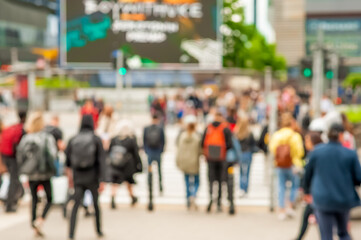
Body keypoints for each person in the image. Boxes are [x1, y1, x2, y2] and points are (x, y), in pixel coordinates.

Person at [304, 123, 361, 240]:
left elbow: (307, 175)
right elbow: (358, 178)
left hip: (322, 198)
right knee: (343, 232)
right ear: (341, 135)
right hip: (343, 198)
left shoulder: (316, 152)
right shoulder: (350, 154)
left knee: (326, 235)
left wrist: (306, 192)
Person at [65, 115, 106, 240]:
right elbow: (101, 160)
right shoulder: (96, 139)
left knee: (75, 205)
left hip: (78, 176)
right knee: (96, 204)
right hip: (92, 176)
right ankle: (98, 230)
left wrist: (70, 178)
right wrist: (102, 179)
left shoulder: (73, 139)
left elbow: (67, 162)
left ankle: (71, 233)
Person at [17, 112, 57, 237]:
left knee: (34, 199)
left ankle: (34, 224)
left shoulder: (26, 138)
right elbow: (53, 154)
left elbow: (20, 155)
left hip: (31, 173)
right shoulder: (47, 137)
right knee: (49, 198)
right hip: (45, 172)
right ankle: (40, 220)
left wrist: (24, 168)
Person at [269, 112, 304, 220]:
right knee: (294, 186)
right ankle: (290, 206)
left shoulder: (277, 135)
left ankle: (281, 209)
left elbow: (272, 149)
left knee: (281, 187)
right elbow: (300, 151)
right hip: (294, 164)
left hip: (280, 164)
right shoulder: (295, 135)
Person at [202, 111, 233, 213]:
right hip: (221, 158)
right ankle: (219, 202)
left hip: (210, 158)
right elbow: (230, 144)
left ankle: (211, 199)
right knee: (220, 180)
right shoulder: (225, 128)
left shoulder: (208, 128)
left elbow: (202, 142)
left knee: (211, 180)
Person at [295, 131, 323, 240]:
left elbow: (310, 175)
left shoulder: (315, 154)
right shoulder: (313, 154)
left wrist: (307, 192)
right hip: (315, 191)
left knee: (316, 217)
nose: (305, 143)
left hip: (315, 192)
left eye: (307, 140)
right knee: (314, 217)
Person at [108, 120, 142, 209]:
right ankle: (132, 197)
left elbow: (109, 152)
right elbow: (136, 154)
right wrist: (139, 164)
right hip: (128, 165)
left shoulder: (114, 139)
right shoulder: (131, 140)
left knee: (115, 182)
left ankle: (113, 197)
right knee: (129, 182)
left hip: (116, 164)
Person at [0, 111, 27, 213]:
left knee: (14, 179)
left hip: (5, 155)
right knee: (13, 179)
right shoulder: (21, 129)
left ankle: (15, 197)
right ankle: (9, 204)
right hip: (12, 157)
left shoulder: (14, 127)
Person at [176, 115, 201, 210]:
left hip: (185, 162)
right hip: (194, 162)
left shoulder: (182, 136)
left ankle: (188, 198)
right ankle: (193, 194)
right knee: (196, 181)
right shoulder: (197, 137)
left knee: (187, 181)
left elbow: (178, 150)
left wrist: (178, 161)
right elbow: (200, 151)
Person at [234, 115, 257, 197]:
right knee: (247, 172)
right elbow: (254, 144)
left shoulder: (237, 133)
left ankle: (241, 188)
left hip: (240, 154)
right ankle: (245, 189)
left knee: (241, 172)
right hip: (247, 153)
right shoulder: (249, 133)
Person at [143, 114, 166, 196]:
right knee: (159, 170)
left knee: (149, 169)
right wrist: (161, 150)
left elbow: (144, 140)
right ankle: (160, 186)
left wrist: (146, 151)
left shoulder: (146, 128)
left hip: (150, 152)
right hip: (157, 152)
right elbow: (163, 140)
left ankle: (149, 183)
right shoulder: (160, 128)